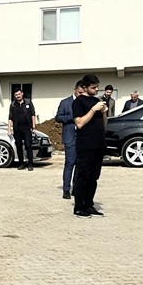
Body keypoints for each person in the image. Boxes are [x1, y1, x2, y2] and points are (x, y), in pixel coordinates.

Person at [72, 74, 108, 217]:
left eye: (98, 86)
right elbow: (79, 123)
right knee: (83, 175)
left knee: (94, 177)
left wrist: (104, 113)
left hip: (98, 144)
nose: (97, 89)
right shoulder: (79, 102)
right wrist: (93, 110)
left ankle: (89, 204)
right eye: (93, 87)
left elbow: (103, 124)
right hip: (85, 144)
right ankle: (79, 206)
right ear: (85, 87)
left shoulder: (96, 101)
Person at [54, 81, 84, 199]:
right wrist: (72, 118)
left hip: (82, 137)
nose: (81, 95)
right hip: (70, 136)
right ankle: (66, 189)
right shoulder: (65, 102)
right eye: (79, 92)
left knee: (79, 164)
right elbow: (58, 117)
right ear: (74, 90)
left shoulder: (84, 103)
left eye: (83, 93)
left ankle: (75, 188)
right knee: (70, 163)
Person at [6, 88, 37, 171]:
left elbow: (33, 115)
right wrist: (9, 129)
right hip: (17, 129)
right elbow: (10, 118)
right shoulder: (13, 105)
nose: (17, 96)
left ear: (22, 94)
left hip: (27, 129)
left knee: (28, 146)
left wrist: (33, 126)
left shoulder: (28, 103)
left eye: (19, 94)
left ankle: (30, 164)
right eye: (16, 95)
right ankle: (21, 163)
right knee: (18, 146)